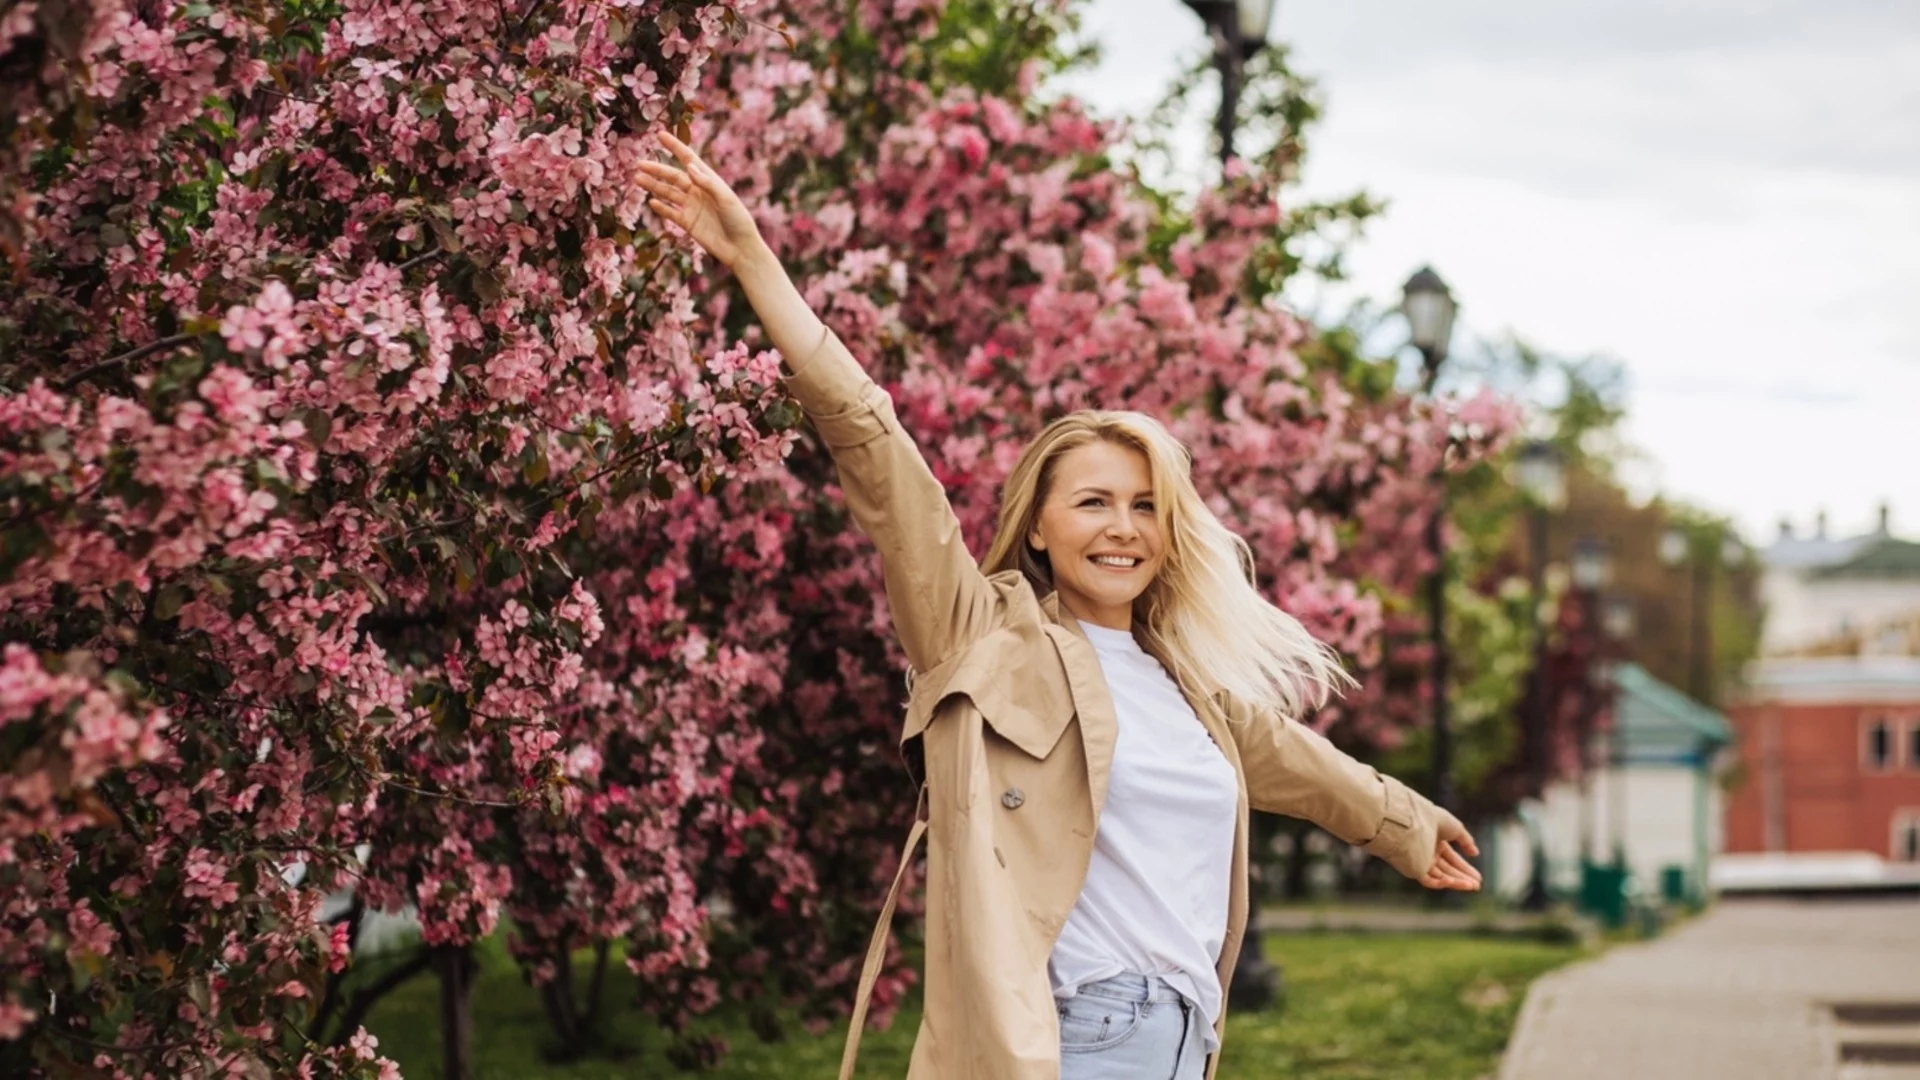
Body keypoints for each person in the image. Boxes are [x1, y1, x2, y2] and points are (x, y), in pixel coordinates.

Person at [635, 132, 1482, 1080]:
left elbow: (1304, 765)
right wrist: (755, 260)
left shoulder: (1185, 683)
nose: (1122, 529)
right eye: (1092, 502)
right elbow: (881, 458)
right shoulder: (982, 636)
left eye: (1145, 507)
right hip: (1075, 1040)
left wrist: (1408, 825)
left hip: (1184, 1043)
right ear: (1037, 526)